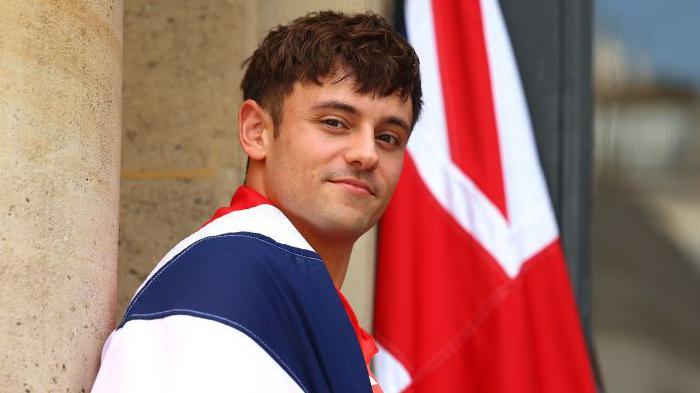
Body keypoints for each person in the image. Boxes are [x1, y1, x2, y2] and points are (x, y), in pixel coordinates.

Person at [92, 10, 422, 393]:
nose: (367, 154)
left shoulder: (291, 295)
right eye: (335, 122)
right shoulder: (221, 286)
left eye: (388, 137)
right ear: (256, 132)